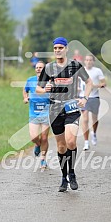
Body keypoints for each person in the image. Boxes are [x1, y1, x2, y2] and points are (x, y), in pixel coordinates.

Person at [36, 37, 92, 192]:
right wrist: (44, 89)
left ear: (66, 49)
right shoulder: (49, 68)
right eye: (55, 48)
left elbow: (89, 82)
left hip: (72, 107)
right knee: (61, 146)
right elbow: (38, 89)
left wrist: (85, 98)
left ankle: (72, 173)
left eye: (60, 47)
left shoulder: (75, 65)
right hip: (55, 109)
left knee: (71, 142)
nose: (57, 50)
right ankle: (64, 177)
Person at [23, 61, 50, 168]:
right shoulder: (30, 80)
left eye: (41, 68)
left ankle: (43, 159)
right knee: (34, 137)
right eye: (37, 67)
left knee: (44, 137)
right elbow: (25, 90)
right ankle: (38, 145)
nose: (38, 69)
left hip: (46, 111)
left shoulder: (49, 81)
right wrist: (25, 98)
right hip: (33, 112)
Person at [79, 54, 106, 150]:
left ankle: (94, 133)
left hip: (94, 97)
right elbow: (76, 82)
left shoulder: (97, 71)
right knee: (85, 119)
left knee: (94, 119)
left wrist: (94, 86)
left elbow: (104, 84)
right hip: (83, 97)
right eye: (87, 60)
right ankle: (86, 142)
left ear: (93, 61)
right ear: (84, 61)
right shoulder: (80, 70)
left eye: (90, 60)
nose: (88, 61)